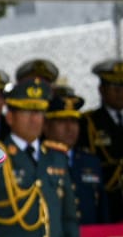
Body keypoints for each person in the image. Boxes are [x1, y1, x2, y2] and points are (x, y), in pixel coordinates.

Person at [0, 78, 84, 237]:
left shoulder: (56, 156)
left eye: (39, 112)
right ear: (10, 117)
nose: (35, 119)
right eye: (27, 112)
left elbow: (68, 217)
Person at [80, 57, 123, 221]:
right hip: (106, 201)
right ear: (102, 90)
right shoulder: (89, 122)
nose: (122, 92)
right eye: (115, 87)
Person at [44, 92, 108, 225]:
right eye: (62, 121)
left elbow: (102, 211)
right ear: (46, 126)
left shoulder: (91, 162)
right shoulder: (38, 160)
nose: (70, 128)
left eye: (73, 121)